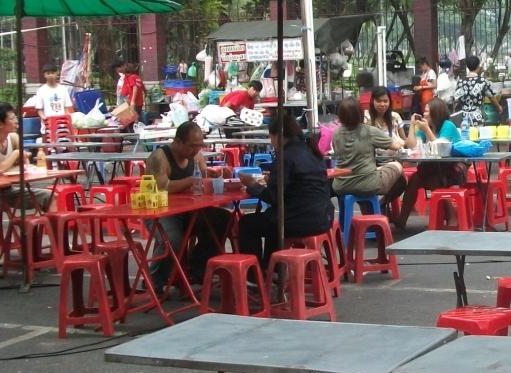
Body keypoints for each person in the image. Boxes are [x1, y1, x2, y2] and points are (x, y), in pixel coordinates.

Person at [236, 110, 333, 269]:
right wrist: (272, 179)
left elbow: (273, 197)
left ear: (278, 136)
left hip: (300, 220)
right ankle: (272, 268)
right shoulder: (311, 151)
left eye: (271, 137)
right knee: (271, 218)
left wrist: (252, 184)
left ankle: (254, 274)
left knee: (248, 223)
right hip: (323, 217)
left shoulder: (286, 156)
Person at [144, 121, 230, 292]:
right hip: (162, 211)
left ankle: (197, 268)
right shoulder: (159, 158)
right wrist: (190, 180)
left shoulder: (196, 156)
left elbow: (203, 178)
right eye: (191, 146)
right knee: (173, 239)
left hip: (190, 211)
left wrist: (217, 176)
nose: (196, 150)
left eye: (199, 146)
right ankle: (154, 280)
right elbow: (161, 187)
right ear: (178, 141)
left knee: (223, 219)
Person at [0, 102, 52, 265]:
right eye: (12, 118)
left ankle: (55, 244)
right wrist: (16, 154)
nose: (16, 121)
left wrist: (20, 158)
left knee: (49, 196)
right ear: (0, 124)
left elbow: (23, 163)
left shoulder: (13, 138)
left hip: (6, 189)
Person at [331, 96, 408, 215]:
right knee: (397, 166)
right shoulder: (368, 131)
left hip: (341, 184)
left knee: (375, 171)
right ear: (360, 113)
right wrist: (403, 141)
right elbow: (396, 146)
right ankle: (382, 205)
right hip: (368, 184)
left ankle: (368, 211)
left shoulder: (336, 134)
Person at [399, 97, 468, 229]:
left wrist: (427, 130)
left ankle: (452, 218)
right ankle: (402, 220)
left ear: (436, 113)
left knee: (434, 181)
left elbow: (441, 149)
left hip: (453, 168)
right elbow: (412, 146)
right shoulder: (425, 126)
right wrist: (412, 126)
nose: (424, 114)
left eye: (427, 111)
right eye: (424, 111)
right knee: (414, 180)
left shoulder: (448, 126)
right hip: (433, 168)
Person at [452, 55, 502, 128]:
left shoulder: (460, 82)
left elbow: (456, 100)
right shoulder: (482, 81)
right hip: (477, 117)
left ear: (468, 67)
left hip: (464, 118)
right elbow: (491, 96)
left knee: (465, 134)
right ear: (478, 66)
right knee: (477, 134)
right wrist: (498, 107)